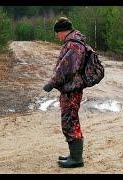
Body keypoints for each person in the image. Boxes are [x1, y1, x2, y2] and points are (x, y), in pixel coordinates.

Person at [43, 17, 88, 168]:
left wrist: (52, 82)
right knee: (69, 120)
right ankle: (74, 155)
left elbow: (66, 68)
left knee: (70, 121)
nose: (57, 36)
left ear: (63, 31)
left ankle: (77, 159)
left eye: (58, 33)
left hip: (72, 89)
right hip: (70, 88)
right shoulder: (74, 42)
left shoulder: (74, 45)